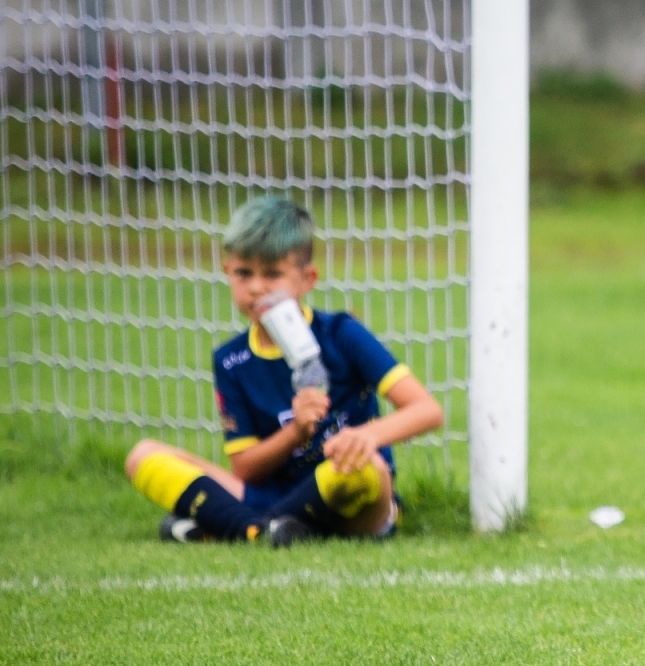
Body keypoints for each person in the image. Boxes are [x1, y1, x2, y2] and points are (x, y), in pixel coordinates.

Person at [124, 195, 443, 546]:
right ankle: (269, 529)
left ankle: (239, 527)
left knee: (370, 471)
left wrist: (367, 436)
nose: (257, 287)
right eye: (244, 273)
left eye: (272, 274)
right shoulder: (230, 358)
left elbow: (427, 411)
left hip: (349, 493)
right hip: (270, 495)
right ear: (227, 271)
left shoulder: (341, 334)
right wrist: (296, 431)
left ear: (307, 279)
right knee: (144, 456)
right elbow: (245, 468)